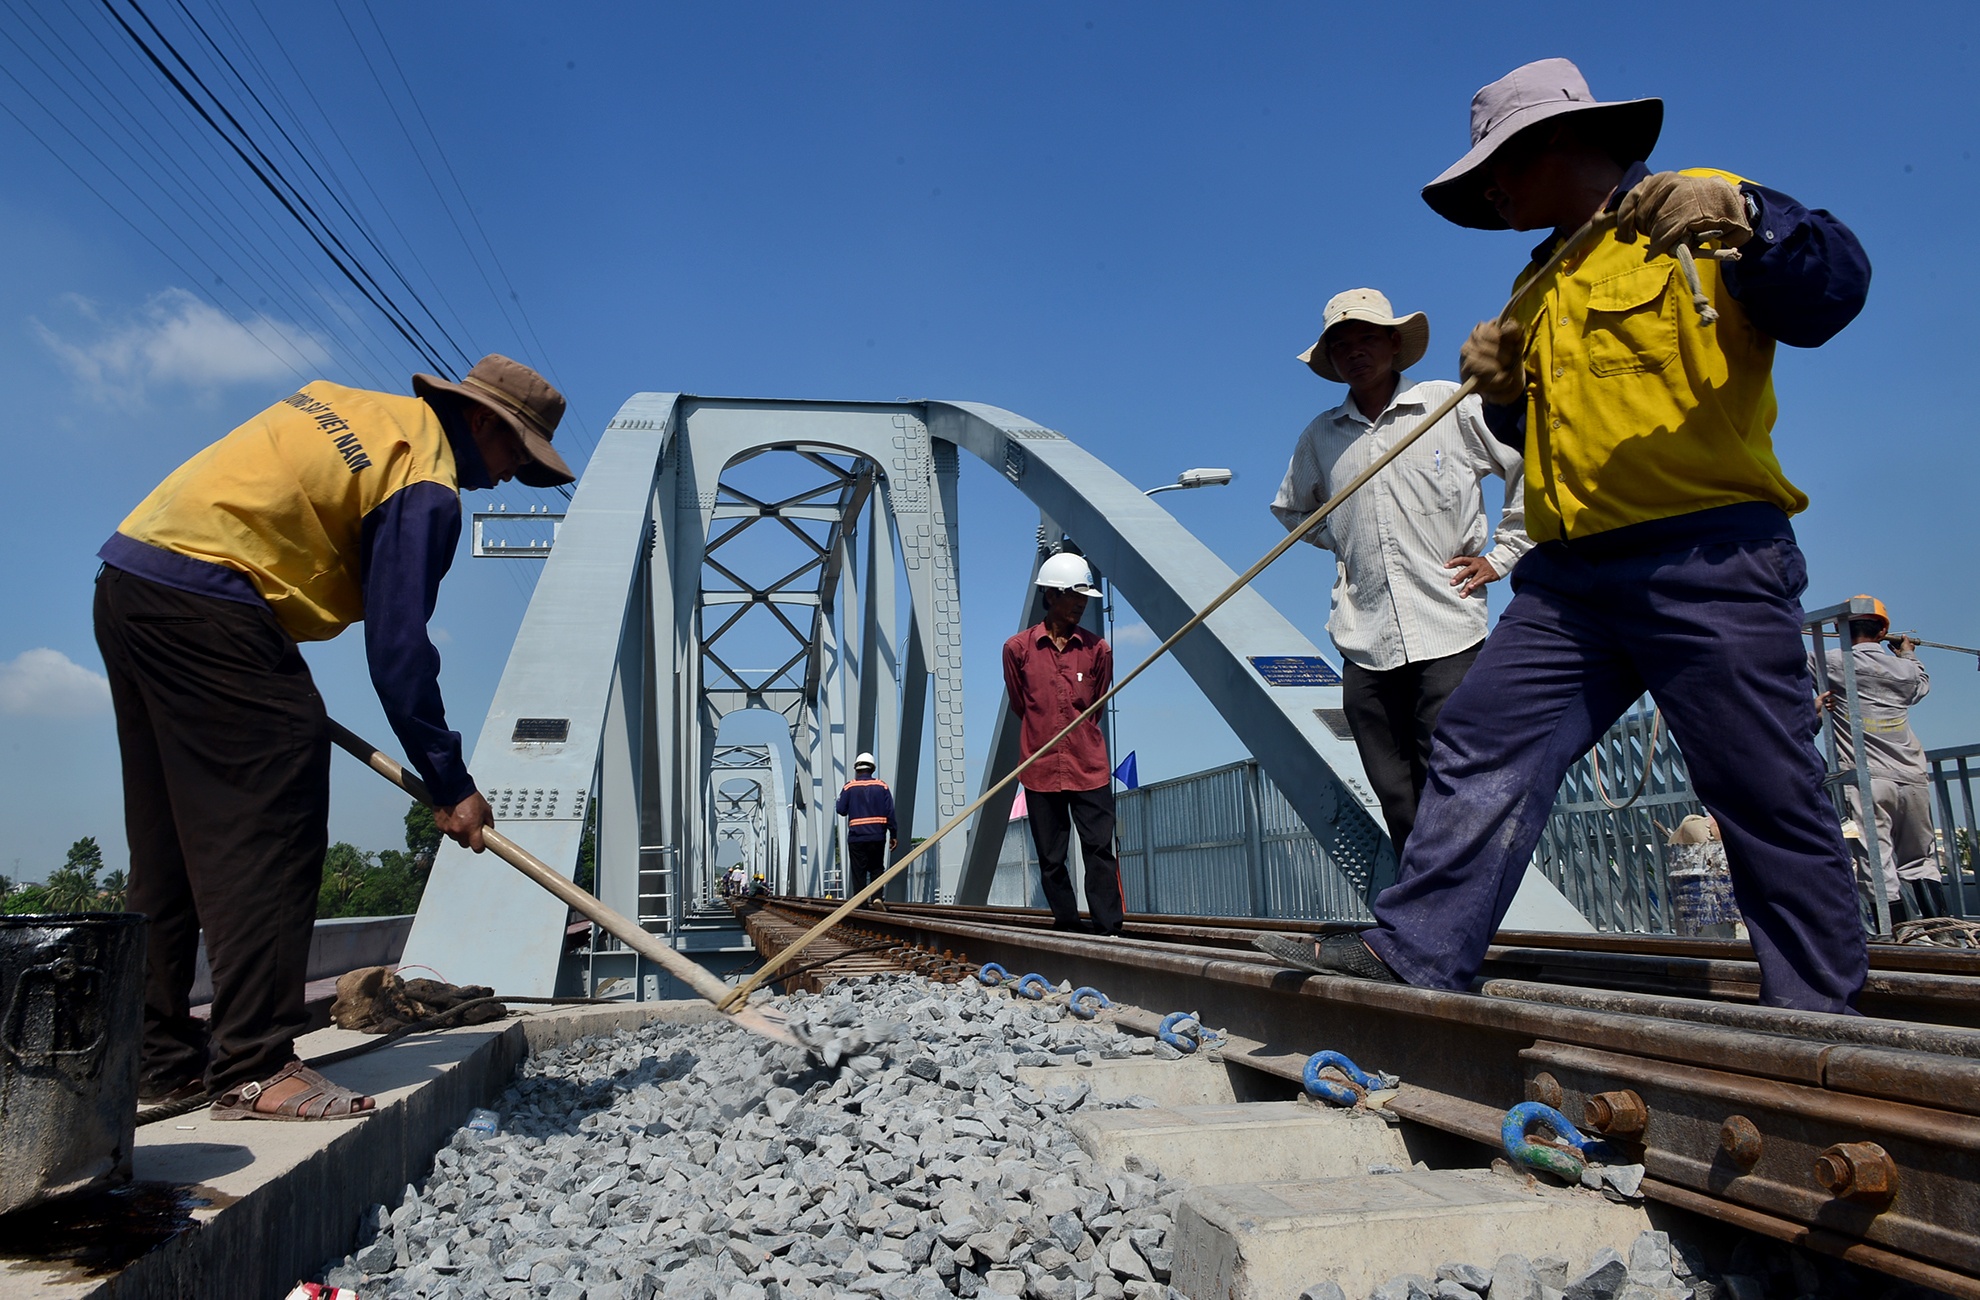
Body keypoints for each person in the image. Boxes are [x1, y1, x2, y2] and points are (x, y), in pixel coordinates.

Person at [1258, 58, 1871, 1012]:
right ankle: (1423, 945)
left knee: (1762, 787)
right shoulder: (1537, 283)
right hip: (1571, 579)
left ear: (1559, 144)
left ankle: (1820, 1014)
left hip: (1705, 554)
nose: (1491, 191)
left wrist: (1756, 223)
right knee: (1480, 741)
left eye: (1498, 168)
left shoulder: (1698, 212)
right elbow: (1536, 437)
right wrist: (1504, 397)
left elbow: (1833, 291)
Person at [95, 354, 574, 1118]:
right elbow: (398, 649)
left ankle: (160, 1058)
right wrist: (450, 784)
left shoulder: (361, 412)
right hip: (215, 602)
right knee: (272, 827)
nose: (515, 473)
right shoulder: (425, 481)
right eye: (518, 452)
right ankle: (256, 1067)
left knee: (171, 843)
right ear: (483, 421)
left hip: (131, 583)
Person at [1272, 287, 1531, 852]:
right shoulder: (1320, 436)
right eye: (1341, 344)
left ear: (1394, 343)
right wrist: (1346, 541)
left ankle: (1453, 914)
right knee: (1394, 790)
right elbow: (1293, 511)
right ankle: (1420, 917)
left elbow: (1528, 468)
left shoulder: (1449, 403)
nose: (1354, 352)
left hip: (1448, 625)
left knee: (1453, 777)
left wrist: (1501, 557)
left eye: (1367, 337)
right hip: (1365, 636)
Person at [1002, 552, 1126, 935]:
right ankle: (1068, 927)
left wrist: (1074, 734)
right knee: (1051, 858)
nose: (1081, 604)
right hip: (1040, 769)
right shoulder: (1017, 650)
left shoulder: (1098, 650)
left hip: (1089, 767)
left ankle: (1110, 929)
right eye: (1074, 595)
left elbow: (1095, 707)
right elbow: (1022, 705)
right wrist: (1046, 733)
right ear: (1051, 595)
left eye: (1084, 598)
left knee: (1100, 851)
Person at [1813, 597, 1945, 923]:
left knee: (1876, 858)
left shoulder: (1827, 662)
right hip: (1912, 774)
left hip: (1867, 777)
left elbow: (1785, 672)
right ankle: (1941, 930)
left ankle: (1899, 934)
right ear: (1883, 628)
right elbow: (1920, 685)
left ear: (1839, 627)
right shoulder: (1905, 670)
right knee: (1920, 858)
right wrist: (1907, 652)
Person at [836, 752, 899, 900]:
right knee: (877, 868)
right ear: (872, 769)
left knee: (859, 871)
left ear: (856, 769)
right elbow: (890, 812)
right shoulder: (882, 786)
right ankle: (877, 897)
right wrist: (893, 835)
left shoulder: (849, 787)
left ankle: (860, 902)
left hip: (856, 837)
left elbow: (841, 810)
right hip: (877, 836)